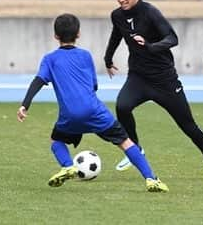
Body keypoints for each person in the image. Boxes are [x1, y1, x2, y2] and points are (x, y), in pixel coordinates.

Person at [17, 13, 169, 192]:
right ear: (78, 34)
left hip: (70, 115)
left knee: (56, 140)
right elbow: (93, 85)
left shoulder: (50, 59)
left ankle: (67, 165)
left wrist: (25, 105)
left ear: (56, 36)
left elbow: (38, 81)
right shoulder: (86, 56)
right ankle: (151, 179)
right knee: (126, 142)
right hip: (94, 111)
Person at [103, 0, 203, 181]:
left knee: (187, 125)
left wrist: (150, 46)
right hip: (138, 77)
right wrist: (108, 58)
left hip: (164, 80)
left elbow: (172, 38)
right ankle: (135, 150)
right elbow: (117, 34)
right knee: (122, 106)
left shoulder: (150, 13)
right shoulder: (117, 15)